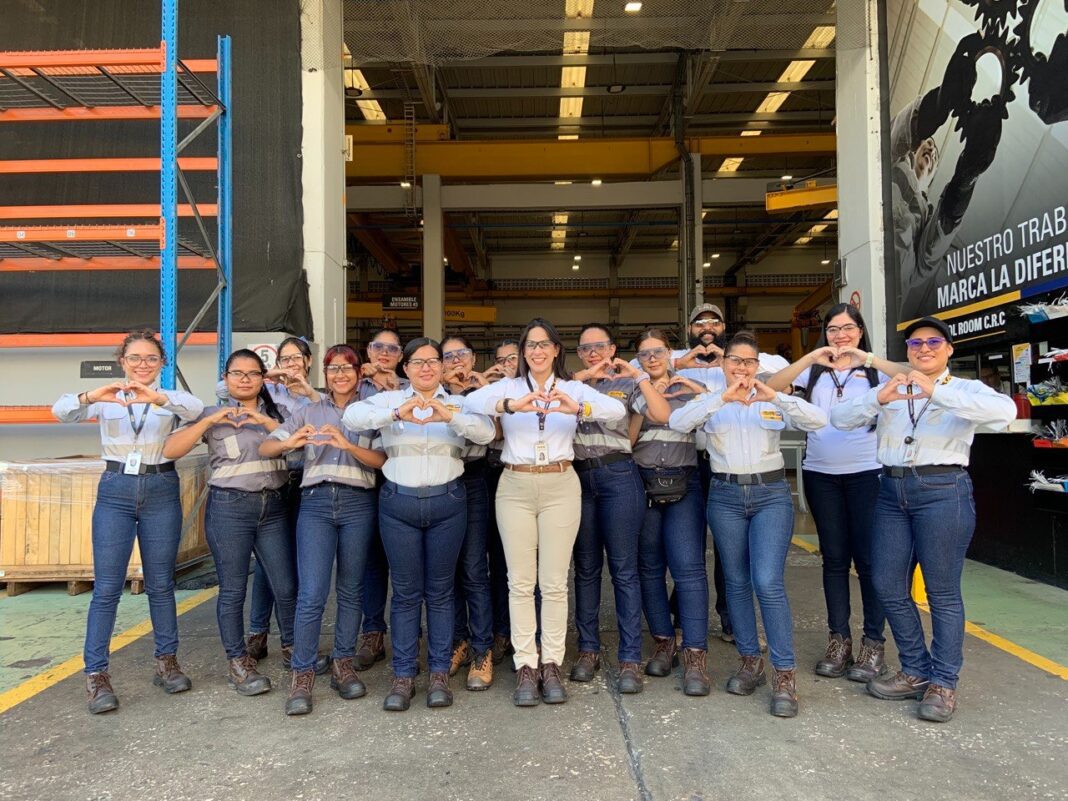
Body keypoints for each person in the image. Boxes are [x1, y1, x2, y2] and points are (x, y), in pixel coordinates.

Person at [830, 317, 1015, 722]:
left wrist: (937, 393)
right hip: (891, 490)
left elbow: (1004, 412)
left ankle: (943, 682)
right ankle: (915, 668)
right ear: (908, 352)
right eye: (916, 343)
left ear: (948, 349)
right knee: (886, 582)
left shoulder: (964, 389)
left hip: (943, 490)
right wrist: (878, 400)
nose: (924, 348)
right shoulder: (892, 388)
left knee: (941, 591)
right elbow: (840, 419)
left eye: (933, 342)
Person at [465, 318, 626, 706]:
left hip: (560, 484)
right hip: (515, 485)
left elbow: (616, 410)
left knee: (553, 583)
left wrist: (579, 407)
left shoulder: (572, 387)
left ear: (556, 350)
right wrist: (510, 405)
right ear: (523, 352)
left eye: (544, 344)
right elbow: (469, 402)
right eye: (530, 345)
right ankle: (526, 664)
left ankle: (551, 662)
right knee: (520, 582)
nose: (537, 351)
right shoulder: (509, 387)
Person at [670, 331, 827, 718]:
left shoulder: (771, 398)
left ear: (758, 365)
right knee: (736, 581)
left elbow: (818, 420)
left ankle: (784, 674)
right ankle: (749, 660)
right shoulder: (712, 401)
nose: (741, 368)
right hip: (724, 495)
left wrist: (778, 396)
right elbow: (678, 422)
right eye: (735, 361)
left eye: (749, 361)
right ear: (723, 364)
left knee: (767, 581)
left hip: (770, 494)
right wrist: (720, 398)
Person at [52, 329, 204, 714]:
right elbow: (62, 411)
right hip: (116, 489)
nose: (142, 365)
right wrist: (91, 396)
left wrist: (158, 398)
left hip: (161, 488)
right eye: (134, 358)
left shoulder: (168, 399)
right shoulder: (108, 399)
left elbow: (196, 409)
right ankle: (96, 675)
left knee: (160, 583)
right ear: (122, 361)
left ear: (162, 363)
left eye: (151, 358)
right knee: (106, 588)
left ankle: (167, 662)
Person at [344, 338, 495, 710]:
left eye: (433, 361)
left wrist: (449, 416)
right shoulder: (389, 400)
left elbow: (486, 433)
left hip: (448, 502)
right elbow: (352, 417)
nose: (426, 368)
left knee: (441, 592)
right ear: (405, 368)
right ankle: (403, 675)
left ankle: (439, 673)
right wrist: (397, 414)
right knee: (407, 593)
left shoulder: (460, 403)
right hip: (399, 503)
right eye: (417, 362)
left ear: (443, 367)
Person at [765, 304, 906, 682]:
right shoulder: (813, 371)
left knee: (870, 561)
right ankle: (838, 640)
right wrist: (810, 357)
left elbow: (913, 374)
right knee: (834, 560)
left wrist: (867, 358)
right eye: (832, 329)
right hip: (821, 475)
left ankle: (873, 644)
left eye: (847, 328)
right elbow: (772, 387)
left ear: (860, 331)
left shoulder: (875, 370)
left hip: (868, 474)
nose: (840, 335)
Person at [260, 344, 386, 716]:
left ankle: (343, 664)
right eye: (333, 369)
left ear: (359, 374)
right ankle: (302, 675)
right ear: (324, 374)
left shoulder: (372, 413)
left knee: (351, 589)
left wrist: (347, 444)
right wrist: (291, 442)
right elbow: (267, 447)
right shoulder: (308, 410)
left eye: (347, 368)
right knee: (312, 592)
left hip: (359, 502)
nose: (340, 375)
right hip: (315, 502)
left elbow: (381, 459)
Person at [163, 349, 294, 697]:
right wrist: (210, 422)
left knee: (285, 585)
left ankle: (294, 648)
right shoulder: (210, 415)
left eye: (253, 373)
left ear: (263, 379)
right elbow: (171, 450)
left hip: (274, 506)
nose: (245, 379)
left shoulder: (278, 413)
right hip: (229, 509)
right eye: (237, 373)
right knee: (233, 589)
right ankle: (238, 662)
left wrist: (263, 421)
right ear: (226, 378)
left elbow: (299, 443)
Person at [568, 323, 670, 694]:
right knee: (586, 569)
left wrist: (639, 376)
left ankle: (629, 657)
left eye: (600, 346)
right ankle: (588, 649)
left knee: (624, 570)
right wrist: (579, 379)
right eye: (585, 348)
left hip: (618, 476)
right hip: (579, 479)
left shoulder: (627, 384)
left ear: (613, 349)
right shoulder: (570, 386)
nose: (593, 353)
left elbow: (660, 413)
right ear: (578, 355)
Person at [891, 33, 1004, 320]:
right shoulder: (892, 166)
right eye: (926, 145)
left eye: (935, 153)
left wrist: (966, 177)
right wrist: (941, 103)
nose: (930, 150)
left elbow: (929, 258)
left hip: (890, 305)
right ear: (914, 150)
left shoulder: (925, 215)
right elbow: (894, 136)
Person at [630, 329, 712, 696]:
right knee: (649, 568)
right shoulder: (634, 390)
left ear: (669, 353)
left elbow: (715, 419)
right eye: (644, 353)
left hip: (684, 482)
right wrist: (643, 403)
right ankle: (664, 641)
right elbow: (629, 440)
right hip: (643, 482)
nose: (652, 358)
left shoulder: (690, 388)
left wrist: (695, 390)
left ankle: (695, 653)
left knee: (688, 568)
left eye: (658, 351)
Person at [243, 336, 325, 671]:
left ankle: (292, 637)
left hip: (307, 480)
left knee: (296, 562)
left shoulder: (316, 394)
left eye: (296, 358)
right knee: (269, 561)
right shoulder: (267, 391)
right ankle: (258, 632)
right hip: (276, 478)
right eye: (284, 359)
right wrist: (267, 376)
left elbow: (332, 415)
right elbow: (223, 388)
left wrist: (307, 391)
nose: (291, 365)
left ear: (308, 361)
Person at [441, 335, 498, 688]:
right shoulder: (433, 394)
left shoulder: (483, 395)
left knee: (475, 568)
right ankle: (457, 641)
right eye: (448, 356)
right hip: (441, 479)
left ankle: (482, 648)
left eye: (462, 354)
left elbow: (491, 435)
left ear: (474, 358)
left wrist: (477, 392)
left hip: (474, 479)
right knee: (447, 570)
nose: (456, 361)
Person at [354, 328, 407, 671]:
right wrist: (361, 373)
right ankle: (372, 632)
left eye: (392, 348)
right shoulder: (355, 384)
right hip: (365, 480)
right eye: (378, 347)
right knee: (371, 561)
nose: (384, 353)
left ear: (401, 356)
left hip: (403, 478)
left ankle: (410, 634)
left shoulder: (412, 386)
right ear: (369, 351)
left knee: (406, 563)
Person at [485, 339, 519, 665]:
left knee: (522, 563)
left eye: (513, 358)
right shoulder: (490, 390)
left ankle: (526, 635)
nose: (507, 364)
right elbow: (494, 433)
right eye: (501, 359)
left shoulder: (532, 389)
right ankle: (500, 630)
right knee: (497, 559)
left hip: (521, 474)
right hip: (491, 473)